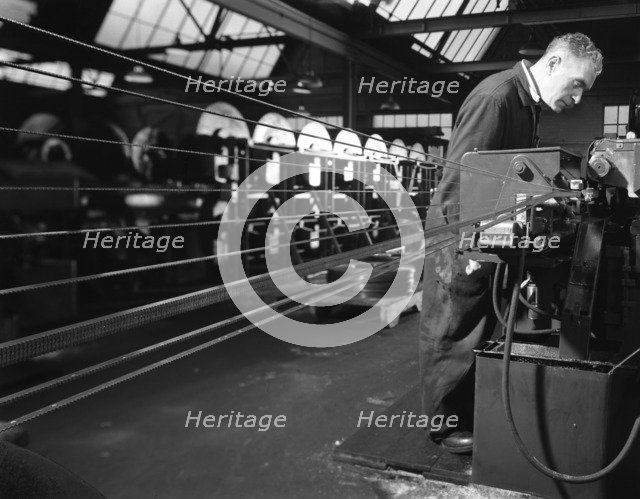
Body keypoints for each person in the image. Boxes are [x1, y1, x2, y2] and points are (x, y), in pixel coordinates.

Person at [419, 33, 603, 454]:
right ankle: (443, 426)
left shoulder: (527, 104)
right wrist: (465, 249)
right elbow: (459, 179)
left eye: (585, 91)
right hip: (460, 236)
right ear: (553, 63)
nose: (577, 97)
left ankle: (467, 410)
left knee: (481, 326)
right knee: (451, 329)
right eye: (576, 84)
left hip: (489, 234)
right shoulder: (496, 98)